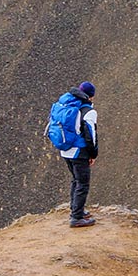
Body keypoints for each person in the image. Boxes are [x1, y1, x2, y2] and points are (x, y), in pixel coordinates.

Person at [48, 81, 100, 227]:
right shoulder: (88, 111)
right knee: (82, 183)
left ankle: (76, 209)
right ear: (90, 97)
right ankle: (77, 217)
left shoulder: (67, 104)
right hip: (79, 152)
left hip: (65, 150)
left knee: (75, 180)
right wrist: (93, 154)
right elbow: (91, 136)